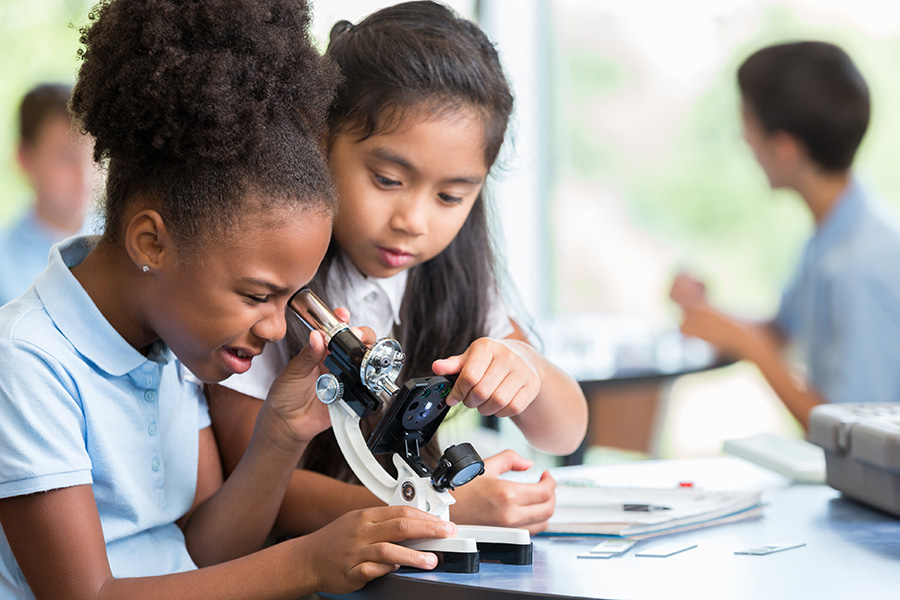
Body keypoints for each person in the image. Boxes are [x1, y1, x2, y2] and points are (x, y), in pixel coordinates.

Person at [0, 1, 455, 598]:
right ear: (151, 242)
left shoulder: (173, 345)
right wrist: (306, 563)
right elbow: (88, 595)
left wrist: (280, 435)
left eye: (290, 298)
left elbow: (202, 555)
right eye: (257, 295)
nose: (274, 328)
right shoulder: (26, 362)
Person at [208, 1, 589, 537]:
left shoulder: (453, 275)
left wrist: (525, 365)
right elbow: (261, 489)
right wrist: (438, 509)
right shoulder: (266, 283)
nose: (413, 221)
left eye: (452, 195)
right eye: (388, 179)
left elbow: (565, 432)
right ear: (320, 141)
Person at [670, 41, 900, 430]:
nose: (745, 141)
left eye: (748, 125)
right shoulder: (833, 233)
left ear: (785, 149)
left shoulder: (861, 264)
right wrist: (712, 314)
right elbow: (782, 331)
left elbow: (855, 431)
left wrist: (751, 347)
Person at [0, 83, 97, 306]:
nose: (84, 174)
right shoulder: (4, 264)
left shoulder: (126, 244)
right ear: (25, 158)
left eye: (93, 156)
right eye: (65, 156)